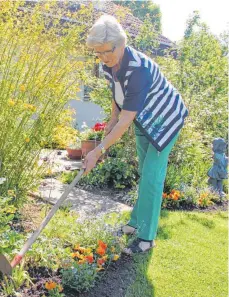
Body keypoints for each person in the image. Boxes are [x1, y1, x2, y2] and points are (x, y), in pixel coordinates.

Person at [83, 15, 188, 254]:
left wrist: (99, 151)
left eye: (105, 52)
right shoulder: (109, 63)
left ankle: (147, 237)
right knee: (145, 172)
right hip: (144, 120)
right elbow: (116, 92)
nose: (102, 58)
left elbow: (126, 121)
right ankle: (134, 223)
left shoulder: (138, 70)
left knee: (152, 175)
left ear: (121, 44)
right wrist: (111, 116)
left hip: (166, 119)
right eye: (97, 53)